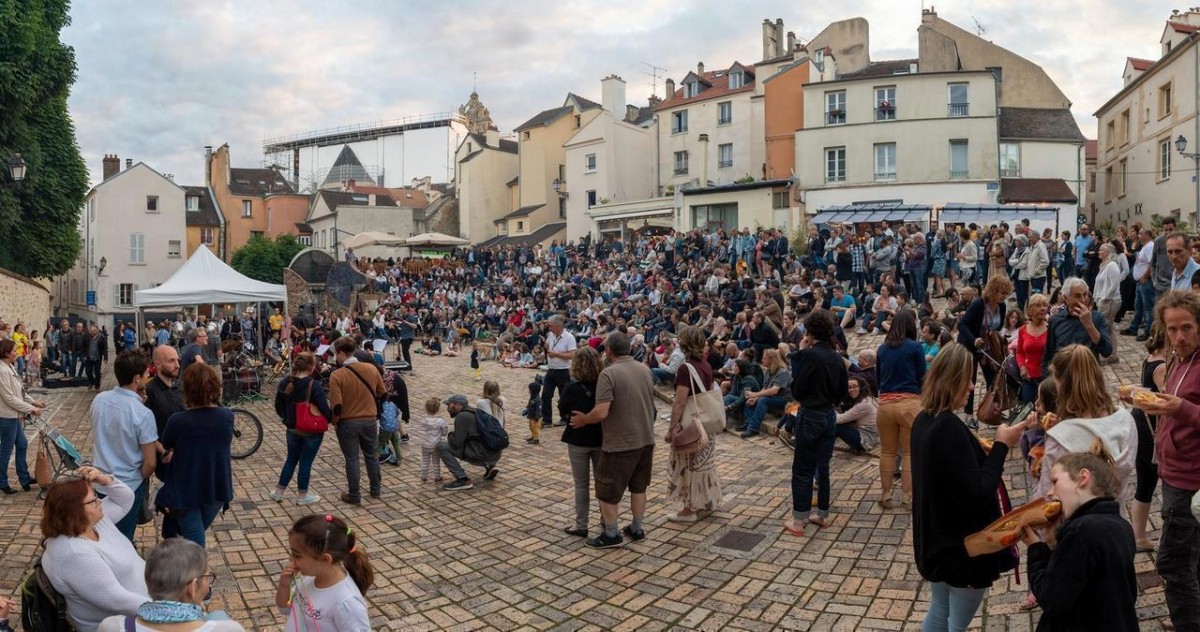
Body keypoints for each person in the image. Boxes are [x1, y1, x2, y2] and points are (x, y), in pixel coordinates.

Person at [911, 343, 1028, 632]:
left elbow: (951, 474)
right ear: (952, 381)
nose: (972, 386)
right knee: (956, 624)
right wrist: (1002, 445)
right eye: (967, 379)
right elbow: (977, 493)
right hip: (962, 550)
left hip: (937, 541)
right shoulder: (948, 428)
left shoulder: (924, 420)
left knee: (939, 611)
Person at [1137, 291, 1200, 630]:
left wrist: (1181, 409)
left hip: (1190, 481)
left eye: (1187, 328)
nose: (1178, 337)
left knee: (1173, 564)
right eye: (1171, 329)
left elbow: (1186, 408)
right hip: (1173, 471)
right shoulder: (1178, 358)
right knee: (1191, 557)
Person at [1022, 451, 1138, 632]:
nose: (1050, 493)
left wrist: (1036, 548)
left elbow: (1051, 598)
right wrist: (1054, 542)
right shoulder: (1121, 525)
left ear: (1083, 477)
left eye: (1055, 482)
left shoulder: (1080, 532)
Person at [568, 331, 657, 549]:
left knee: (607, 490)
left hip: (620, 442)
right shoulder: (645, 369)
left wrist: (584, 420)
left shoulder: (609, 374)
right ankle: (637, 528)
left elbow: (601, 412)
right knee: (639, 487)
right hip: (645, 439)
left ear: (609, 350)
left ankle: (611, 534)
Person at [41, 466, 150, 632]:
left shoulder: (92, 523)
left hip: (145, 605)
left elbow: (125, 499)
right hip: (121, 624)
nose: (100, 501)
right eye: (93, 500)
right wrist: (166, 609)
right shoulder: (74, 554)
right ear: (74, 510)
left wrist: (104, 480)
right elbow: (115, 600)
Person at [783, 309, 848, 534]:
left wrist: (800, 354)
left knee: (803, 468)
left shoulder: (809, 355)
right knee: (823, 466)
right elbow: (842, 392)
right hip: (829, 414)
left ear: (810, 332)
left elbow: (797, 389)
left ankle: (799, 521)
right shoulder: (837, 357)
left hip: (810, 413)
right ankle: (822, 514)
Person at [155, 363, 234, 548]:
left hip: (185, 489)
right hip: (216, 485)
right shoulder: (227, 416)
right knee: (193, 532)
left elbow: (166, 445)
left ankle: (194, 572)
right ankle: (177, 552)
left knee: (194, 542)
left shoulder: (178, 421)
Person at [98, 538, 245, 631]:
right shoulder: (228, 629)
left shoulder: (112, 626)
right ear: (192, 587)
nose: (208, 585)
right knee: (219, 615)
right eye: (207, 577)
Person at [91, 350, 157, 541]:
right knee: (122, 539)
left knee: (101, 533)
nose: (148, 377)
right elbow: (150, 462)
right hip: (128, 484)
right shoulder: (143, 414)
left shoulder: (99, 400)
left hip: (100, 479)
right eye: (146, 374)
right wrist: (140, 478)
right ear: (137, 378)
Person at [276, 514, 373, 631]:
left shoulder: (346, 602)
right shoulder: (308, 578)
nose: (291, 559)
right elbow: (285, 609)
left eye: (297, 555)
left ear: (325, 560)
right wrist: (284, 586)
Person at [665, 326, 722, 524]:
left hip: (692, 424)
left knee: (689, 465)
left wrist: (671, 428)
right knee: (704, 464)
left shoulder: (686, 367)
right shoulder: (704, 364)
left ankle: (689, 509)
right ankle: (706, 501)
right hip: (706, 422)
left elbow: (680, 401)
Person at [328, 336, 386, 505]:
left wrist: (334, 421)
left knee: (352, 459)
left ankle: (354, 494)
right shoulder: (371, 368)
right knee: (372, 456)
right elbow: (382, 393)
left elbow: (337, 406)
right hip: (369, 419)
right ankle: (376, 489)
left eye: (335, 354)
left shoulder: (337, 375)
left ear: (341, 353)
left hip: (348, 422)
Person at [876, 309, 925, 509]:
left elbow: (879, 379)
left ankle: (886, 495)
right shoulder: (915, 347)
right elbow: (923, 376)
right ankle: (907, 497)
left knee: (887, 452)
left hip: (885, 405)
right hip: (910, 404)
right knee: (909, 453)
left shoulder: (881, 349)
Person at [272, 352, 332, 505]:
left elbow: (278, 405)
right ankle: (302, 495)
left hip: (292, 428)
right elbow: (324, 407)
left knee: (291, 459)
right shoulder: (313, 384)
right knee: (305, 462)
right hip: (311, 429)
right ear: (312, 367)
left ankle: (279, 491)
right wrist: (330, 419)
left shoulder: (286, 382)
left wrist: (286, 417)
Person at [1129, 325, 1166, 552]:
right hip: (1150, 428)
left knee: (1145, 482)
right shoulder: (1162, 365)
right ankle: (1143, 537)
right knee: (1152, 481)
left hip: (1140, 423)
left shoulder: (1151, 356)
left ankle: (1138, 536)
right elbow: (1165, 399)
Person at [559, 347, 603, 537]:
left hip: (578, 437)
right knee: (602, 482)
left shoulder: (572, 388)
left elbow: (562, 409)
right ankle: (606, 520)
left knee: (581, 484)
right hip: (601, 437)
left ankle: (581, 524)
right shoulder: (604, 384)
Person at [957, 276, 1011, 425]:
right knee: (971, 379)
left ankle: (992, 410)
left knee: (993, 379)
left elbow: (998, 326)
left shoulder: (1002, 306)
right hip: (970, 345)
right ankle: (968, 414)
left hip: (987, 348)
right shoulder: (978, 304)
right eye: (1002, 293)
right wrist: (974, 339)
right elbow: (962, 326)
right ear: (993, 291)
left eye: (1006, 294)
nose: (1004, 296)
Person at [1042, 277, 1113, 375]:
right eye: (1077, 296)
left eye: (1085, 295)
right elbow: (1048, 356)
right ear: (1065, 297)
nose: (1083, 300)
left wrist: (1089, 325)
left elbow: (1107, 351)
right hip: (1063, 378)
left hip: (1087, 378)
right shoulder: (1056, 320)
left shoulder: (1097, 318)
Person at [0, 338, 42, 494]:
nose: (17, 352)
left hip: (14, 416)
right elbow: (9, 398)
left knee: (23, 444)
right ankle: (2, 482)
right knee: (6, 449)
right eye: (14, 350)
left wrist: (34, 402)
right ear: (6, 353)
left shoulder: (9, 366)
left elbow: (20, 391)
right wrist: (31, 409)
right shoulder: (2, 371)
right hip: (6, 417)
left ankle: (24, 478)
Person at [437, 393, 502, 490]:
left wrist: (450, 435)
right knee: (474, 442)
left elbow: (456, 444)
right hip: (495, 454)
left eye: (449, 405)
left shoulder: (462, 417)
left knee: (441, 446)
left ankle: (462, 479)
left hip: (484, 455)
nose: (448, 408)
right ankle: (490, 466)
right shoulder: (476, 411)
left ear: (458, 405)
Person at [541, 315, 577, 428]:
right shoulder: (551, 335)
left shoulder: (569, 337)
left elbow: (572, 355)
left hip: (563, 370)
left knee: (564, 396)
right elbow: (547, 345)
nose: (549, 328)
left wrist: (556, 354)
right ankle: (547, 419)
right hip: (551, 369)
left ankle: (564, 417)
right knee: (546, 395)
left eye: (551, 326)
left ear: (558, 326)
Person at [1014, 293, 1050, 404]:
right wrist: (1022, 367)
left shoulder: (1051, 327)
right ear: (1029, 310)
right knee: (1029, 411)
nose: (1043, 308)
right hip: (1029, 378)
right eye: (1038, 306)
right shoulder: (1022, 330)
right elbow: (1019, 353)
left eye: (1044, 305)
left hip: (1047, 378)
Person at [144, 345, 185, 437]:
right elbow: (145, 429)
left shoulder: (182, 386)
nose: (177, 365)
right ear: (158, 364)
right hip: (164, 447)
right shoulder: (149, 391)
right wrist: (163, 450)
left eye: (177, 360)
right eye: (171, 361)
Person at [1093, 243, 1123, 364]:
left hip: (1110, 301)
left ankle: (1107, 354)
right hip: (1103, 300)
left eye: (1101, 249)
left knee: (1104, 328)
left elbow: (1114, 284)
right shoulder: (1104, 265)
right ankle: (1113, 354)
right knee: (1109, 328)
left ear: (1108, 252)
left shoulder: (1112, 265)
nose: (1098, 251)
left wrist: (1104, 298)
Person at [836, 375, 879, 454]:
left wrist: (829, 410)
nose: (852, 390)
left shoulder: (863, 404)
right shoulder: (869, 398)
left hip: (866, 441)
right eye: (849, 387)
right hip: (873, 436)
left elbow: (839, 419)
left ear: (861, 387)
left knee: (835, 425)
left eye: (855, 386)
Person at [411, 397, 448, 483]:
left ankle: (424, 477)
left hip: (425, 444)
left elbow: (420, 430)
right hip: (436, 444)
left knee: (425, 461)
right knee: (436, 462)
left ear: (426, 408)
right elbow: (444, 432)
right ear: (438, 409)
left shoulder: (423, 420)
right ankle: (437, 477)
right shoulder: (440, 421)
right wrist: (441, 434)